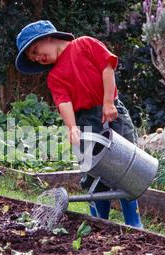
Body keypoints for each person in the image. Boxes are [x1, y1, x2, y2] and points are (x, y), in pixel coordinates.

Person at [15, 20, 143, 228]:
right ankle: (98, 222)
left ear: (47, 38)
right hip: (86, 122)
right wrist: (72, 127)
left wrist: (108, 102)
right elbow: (63, 102)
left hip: (112, 112)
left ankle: (134, 222)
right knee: (94, 172)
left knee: (127, 167)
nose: (38, 58)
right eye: (34, 58)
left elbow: (107, 67)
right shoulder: (54, 77)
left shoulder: (85, 44)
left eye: (36, 51)